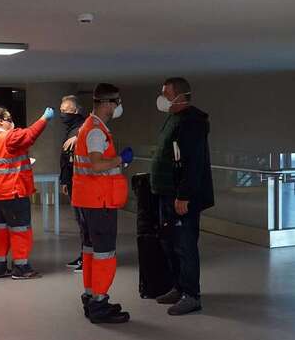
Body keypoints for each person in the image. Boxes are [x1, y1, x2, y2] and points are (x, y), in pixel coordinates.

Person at [150, 77, 214, 316]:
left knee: (185, 244)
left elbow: (192, 163)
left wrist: (184, 195)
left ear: (179, 96)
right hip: (166, 193)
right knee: (170, 242)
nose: (162, 98)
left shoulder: (192, 122)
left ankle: (191, 295)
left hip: (181, 197)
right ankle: (179, 286)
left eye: (166, 94)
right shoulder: (173, 119)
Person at [72, 83, 135, 324]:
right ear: (108, 103)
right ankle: (99, 302)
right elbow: (97, 165)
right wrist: (121, 158)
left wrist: (117, 163)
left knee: (90, 250)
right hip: (100, 201)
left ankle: (91, 297)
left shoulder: (88, 127)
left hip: (87, 199)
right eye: (117, 102)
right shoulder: (96, 131)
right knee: (104, 253)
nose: (119, 106)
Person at [0, 104, 54, 279]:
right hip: (11, 191)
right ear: (2, 121)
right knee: (20, 229)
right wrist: (44, 119)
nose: (12, 123)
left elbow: (2, 162)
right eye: (10, 119)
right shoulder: (7, 137)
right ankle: (21, 268)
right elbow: (29, 135)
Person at [58, 95, 88, 272]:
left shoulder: (82, 128)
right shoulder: (71, 129)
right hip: (72, 181)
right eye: (61, 111)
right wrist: (64, 180)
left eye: (67, 110)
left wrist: (80, 136)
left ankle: (88, 258)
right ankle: (84, 255)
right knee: (81, 222)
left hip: (82, 183)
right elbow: (66, 158)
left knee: (85, 223)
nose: (63, 114)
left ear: (76, 110)